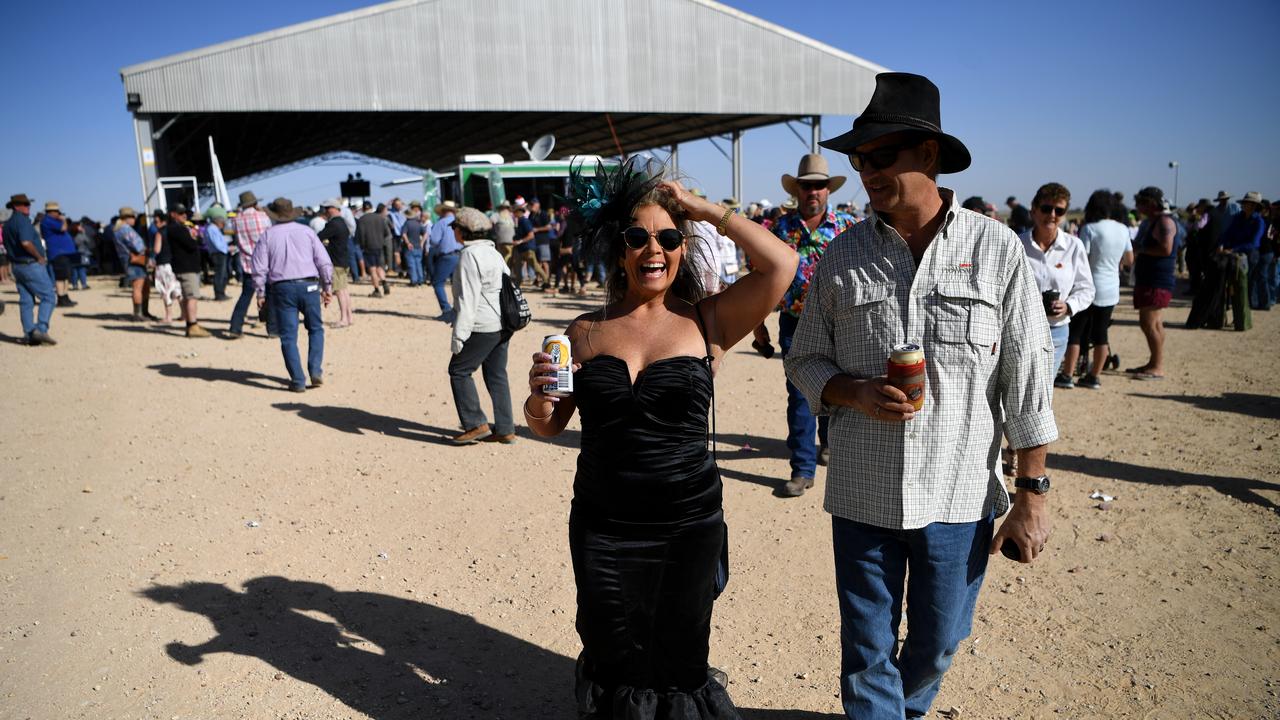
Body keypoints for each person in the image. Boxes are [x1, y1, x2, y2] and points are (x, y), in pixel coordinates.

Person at [786, 72, 1058, 720]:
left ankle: (900, 710)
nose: (867, 173)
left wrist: (1032, 496)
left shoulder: (996, 251)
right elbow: (803, 359)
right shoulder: (841, 255)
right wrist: (849, 390)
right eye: (859, 162)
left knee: (939, 642)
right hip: (862, 494)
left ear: (928, 156)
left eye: (881, 157)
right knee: (866, 650)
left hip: (959, 497)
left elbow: (1027, 378)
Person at [524, 156, 799, 719]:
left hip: (687, 526)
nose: (654, 249)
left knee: (679, 657)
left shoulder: (709, 321)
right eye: (637, 237)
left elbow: (781, 264)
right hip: (602, 524)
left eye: (668, 238)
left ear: (682, 246)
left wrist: (701, 209)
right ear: (617, 248)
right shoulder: (585, 331)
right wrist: (536, 400)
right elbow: (549, 425)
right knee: (613, 650)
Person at [754, 153, 856, 497]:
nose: (814, 192)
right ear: (797, 189)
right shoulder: (779, 230)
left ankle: (826, 443)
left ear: (829, 190)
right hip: (795, 324)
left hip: (841, 324)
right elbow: (760, 278)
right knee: (800, 395)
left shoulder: (846, 228)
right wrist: (757, 324)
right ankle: (802, 467)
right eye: (807, 186)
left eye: (820, 186)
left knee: (835, 388)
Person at [447, 207, 516, 445]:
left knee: (459, 370)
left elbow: (469, 299)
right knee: (497, 375)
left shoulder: (469, 255)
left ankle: (475, 424)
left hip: (483, 324)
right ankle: (506, 428)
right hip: (503, 323)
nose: (453, 231)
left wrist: (459, 336)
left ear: (463, 231)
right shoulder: (493, 252)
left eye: (454, 227)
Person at [252, 198, 333, 392]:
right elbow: (323, 261)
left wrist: (260, 292)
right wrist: (327, 287)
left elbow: (259, 268)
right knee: (315, 329)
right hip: (309, 286)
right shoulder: (307, 232)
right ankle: (315, 371)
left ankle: (297, 380)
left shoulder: (267, 236)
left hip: (281, 288)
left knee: (288, 336)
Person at [1017, 182, 1094, 388]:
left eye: (1059, 210)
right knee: (1018, 389)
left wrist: (1068, 306)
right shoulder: (1016, 244)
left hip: (1056, 332)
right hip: (1021, 331)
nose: (1052, 214)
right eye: (1046, 208)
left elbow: (1086, 289)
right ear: (1033, 210)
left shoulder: (1073, 246)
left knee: (1042, 392)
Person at [1066, 190, 1133, 388]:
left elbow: (1082, 259)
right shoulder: (1123, 229)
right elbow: (1129, 260)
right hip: (1111, 288)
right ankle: (1094, 376)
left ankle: (1068, 375)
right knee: (1101, 334)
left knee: (1076, 333)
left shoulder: (1090, 229)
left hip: (1088, 288)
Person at [1128, 186, 1178, 379]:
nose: (1138, 206)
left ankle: (1157, 366)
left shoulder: (1164, 222)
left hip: (1157, 279)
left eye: (1140, 202)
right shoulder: (1155, 221)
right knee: (1155, 324)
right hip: (1150, 279)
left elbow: (1166, 249)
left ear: (1149, 203)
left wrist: (1140, 249)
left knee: (1149, 324)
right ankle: (1154, 362)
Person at [3, 193, 58, 345]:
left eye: (28, 204)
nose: (28, 207)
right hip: (30, 264)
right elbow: (26, 242)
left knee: (26, 301)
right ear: (16, 206)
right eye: (25, 204)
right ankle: (40, 329)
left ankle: (29, 334)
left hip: (17, 266)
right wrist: (39, 257)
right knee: (49, 297)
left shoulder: (8, 224)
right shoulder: (22, 221)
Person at [230, 191, 275, 338]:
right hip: (266, 263)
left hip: (247, 264)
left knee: (245, 296)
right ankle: (273, 329)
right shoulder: (263, 217)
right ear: (255, 203)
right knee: (270, 295)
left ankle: (235, 327)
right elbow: (270, 238)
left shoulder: (236, 220)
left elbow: (237, 240)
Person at [165, 205, 209, 338]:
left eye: (185, 213)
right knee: (192, 296)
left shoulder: (175, 228)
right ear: (173, 214)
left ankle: (191, 323)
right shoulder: (177, 229)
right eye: (181, 213)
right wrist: (194, 238)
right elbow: (191, 244)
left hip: (184, 266)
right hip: (186, 267)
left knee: (188, 296)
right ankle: (192, 325)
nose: (184, 215)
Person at [1221, 192, 1268, 310]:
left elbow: (1254, 243)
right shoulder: (1238, 218)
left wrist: (1233, 249)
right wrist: (1222, 244)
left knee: (1246, 283)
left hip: (1249, 256)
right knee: (1233, 282)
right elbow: (1228, 233)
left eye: (1246, 203)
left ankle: (1245, 308)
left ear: (1253, 205)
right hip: (1234, 254)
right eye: (1244, 203)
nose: (1244, 205)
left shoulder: (1259, 221)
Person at [316, 198, 354, 328]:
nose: (325, 212)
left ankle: (344, 319)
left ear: (332, 209)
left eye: (326, 209)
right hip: (343, 260)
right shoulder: (343, 222)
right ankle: (349, 317)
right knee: (344, 290)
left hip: (336, 261)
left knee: (338, 291)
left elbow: (318, 237)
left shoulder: (333, 224)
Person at [112, 207, 154, 321]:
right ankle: (139, 314)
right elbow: (138, 246)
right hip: (135, 261)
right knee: (139, 287)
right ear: (127, 218)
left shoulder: (117, 229)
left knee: (142, 286)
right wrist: (146, 249)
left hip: (129, 260)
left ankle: (141, 312)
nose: (135, 219)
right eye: (132, 216)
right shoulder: (126, 229)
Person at [40, 202, 78, 308]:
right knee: (60, 276)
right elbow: (63, 228)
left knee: (66, 275)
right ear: (51, 212)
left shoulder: (53, 220)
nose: (59, 214)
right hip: (58, 252)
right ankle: (61, 298)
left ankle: (65, 296)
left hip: (64, 252)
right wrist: (63, 220)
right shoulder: (48, 220)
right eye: (57, 211)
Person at [427, 200, 461, 319]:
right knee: (457, 283)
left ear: (442, 211)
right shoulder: (459, 222)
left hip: (447, 256)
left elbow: (434, 241)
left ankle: (446, 310)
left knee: (438, 283)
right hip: (461, 254)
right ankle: (459, 310)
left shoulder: (441, 223)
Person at [356, 202, 390, 297]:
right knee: (379, 266)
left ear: (363, 209)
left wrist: (362, 246)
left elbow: (361, 236)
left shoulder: (362, 220)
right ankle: (384, 281)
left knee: (372, 269)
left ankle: (377, 290)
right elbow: (386, 233)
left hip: (368, 246)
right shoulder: (380, 218)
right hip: (379, 246)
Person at [205, 214, 231, 301]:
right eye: (222, 223)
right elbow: (217, 244)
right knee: (220, 274)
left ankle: (221, 293)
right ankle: (219, 294)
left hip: (220, 253)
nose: (223, 225)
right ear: (218, 222)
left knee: (223, 274)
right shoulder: (212, 229)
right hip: (218, 254)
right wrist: (226, 249)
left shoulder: (213, 228)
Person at [401, 206, 427, 287]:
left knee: (411, 264)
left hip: (410, 247)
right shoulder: (418, 224)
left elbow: (403, 234)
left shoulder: (407, 223)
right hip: (418, 246)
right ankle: (421, 280)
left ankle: (414, 281)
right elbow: (426, 234)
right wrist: (422, 243)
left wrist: (408, 243)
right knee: (418, 263)